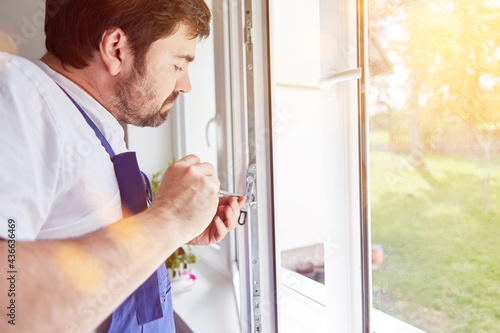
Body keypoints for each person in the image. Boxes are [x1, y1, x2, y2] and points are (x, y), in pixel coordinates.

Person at [0, 0, 245, 332]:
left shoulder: (88, 116)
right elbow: (8, 304)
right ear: (116, 49)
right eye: (178, 64)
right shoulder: (17, 94)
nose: (185, 85)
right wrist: (168, 219)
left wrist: (179, 226)